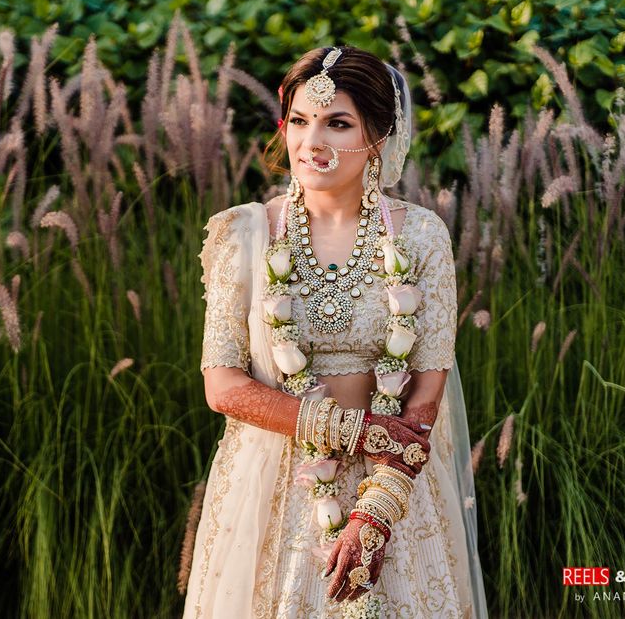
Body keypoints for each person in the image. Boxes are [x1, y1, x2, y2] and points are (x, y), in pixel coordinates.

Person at [183, 46, 487, 618]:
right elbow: (222, 387)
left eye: (337, 123)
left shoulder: (421, 237)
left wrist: (377, 513)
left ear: (379, 136)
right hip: (272, 487)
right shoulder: (243, 234)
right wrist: (360, 430)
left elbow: (425, 389)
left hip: (394, 487)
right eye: (299, 121)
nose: (311, 142)